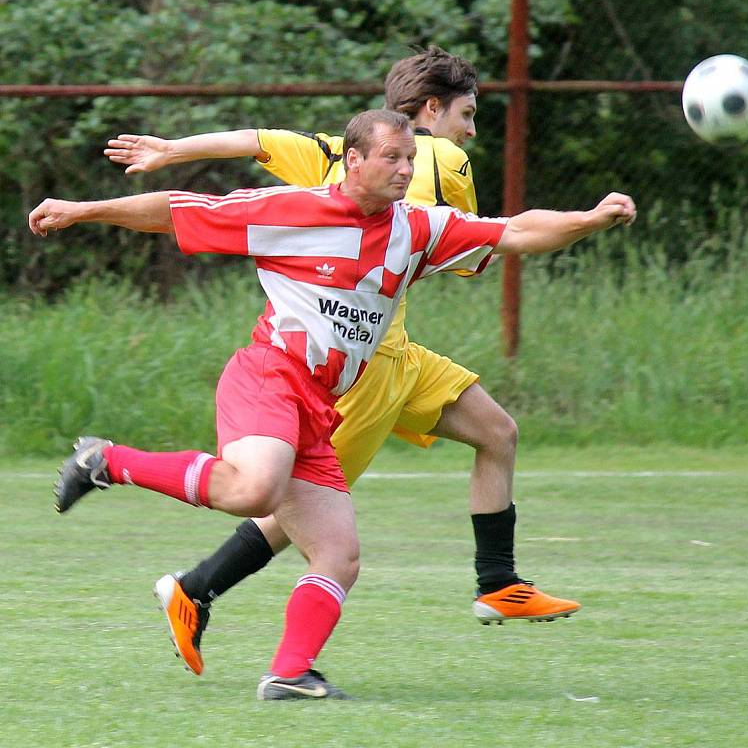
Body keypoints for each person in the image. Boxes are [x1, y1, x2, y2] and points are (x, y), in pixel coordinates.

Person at [31, 109, 636, 700]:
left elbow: (518, 231)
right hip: (270, 375)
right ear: (353, 160)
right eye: (391, 158)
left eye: (409, 159)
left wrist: (592, 219)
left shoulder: (417, 228)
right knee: (253, 492)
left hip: (320, 404)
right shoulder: (293, 210)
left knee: (338, 555)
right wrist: (84, 211)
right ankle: (108, 462)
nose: (404, 170)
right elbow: (174, 211)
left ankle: (289, 674)